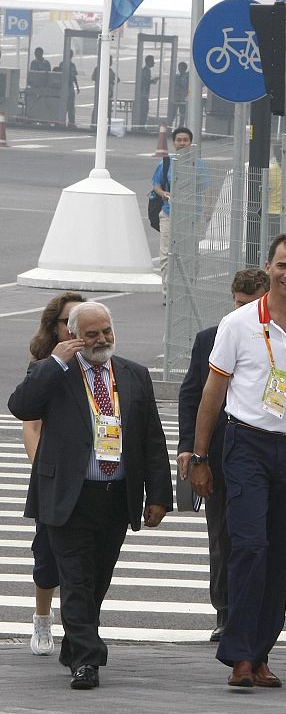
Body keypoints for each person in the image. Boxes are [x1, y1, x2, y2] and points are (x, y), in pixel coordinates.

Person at [190, 233, 286, 690]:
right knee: (249, 547)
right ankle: (240, 654)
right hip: (246, 445)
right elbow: (212, 393)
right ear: (269, 267)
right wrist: (200, 456)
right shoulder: (237, 323)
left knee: (281, 553)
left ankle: (260, 654)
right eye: (282, 265)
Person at [8, 301, 173, 690]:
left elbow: (152, 437)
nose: (101, 340)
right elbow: (21, 406)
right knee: (76, 578)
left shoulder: (133, 375)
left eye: (106, 332)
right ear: (73, 335)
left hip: (115, 496)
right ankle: (87, 659)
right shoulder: (55, 372)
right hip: (69, 495)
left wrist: (159, 495)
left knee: (97, 578)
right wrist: (55, 362)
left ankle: (76, 645)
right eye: (92, 334)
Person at [177, 269, 269, 643]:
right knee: (222, 535)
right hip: (217, 451)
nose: (243, 311)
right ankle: (226, 611)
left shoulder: (281, 341)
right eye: (239, 304)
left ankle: (257, 609)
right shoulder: (210, 339)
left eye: (252, 304)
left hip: (264, 450)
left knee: (261, 535)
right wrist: (189, 448)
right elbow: (191, 395)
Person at [23, 292, 86, 656]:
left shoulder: (103, 367)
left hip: (91, 476)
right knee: (47, 556)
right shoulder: (45, 368)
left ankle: (80, 629)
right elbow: (31, 425)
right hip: (53, 477)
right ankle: (42, 618)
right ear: (55, 328)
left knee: (86, 558)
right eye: (68, 323)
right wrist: (43, 470)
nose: (76, 330)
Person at [151, 126, 211, 305]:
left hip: (192, 216)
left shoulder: (199, 164)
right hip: (169, 214)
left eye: (186, 140)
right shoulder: (166, 162)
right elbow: (156, 184)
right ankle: (168, 292)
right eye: (179, 140)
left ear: (191, 143)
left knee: (191, 254)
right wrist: (163, 193)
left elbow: (207, 188)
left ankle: (188, 290)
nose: (182, 143)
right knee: (166, 254)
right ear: (174, 143)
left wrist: (207, 209)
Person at [91, 56, 116, 128]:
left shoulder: (109, 70)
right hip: (104, 93)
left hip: (106, 93)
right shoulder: (103, 70)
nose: (111, 62)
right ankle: (97, 125)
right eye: (110, 60)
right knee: (102, 109)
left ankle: (103, 125)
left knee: (104, 110)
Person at [58, 49, 79, 127]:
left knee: (71, 106)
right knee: (63, 104)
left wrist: (77, 86)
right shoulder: (62, 64)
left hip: (70, 86)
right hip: (63, 86)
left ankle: (71, 122)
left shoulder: (72, 65)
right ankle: (61, 121)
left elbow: (74, 77)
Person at [137, 54, 158, 127]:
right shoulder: (146, 70)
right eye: (152, 61)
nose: (154, 63)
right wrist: (153, 81)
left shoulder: (147, 70)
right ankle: (141, 125)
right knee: (144, 110)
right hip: (143, 94)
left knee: (145, 110)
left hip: (144, 93)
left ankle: (142, 124)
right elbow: (146, 81)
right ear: (148, 62)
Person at [168, 61, 189, 127]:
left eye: (180, 67)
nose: (179, 69)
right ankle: (169, 126)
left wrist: (187, 94)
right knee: (173, 114)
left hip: (183, 98)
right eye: (179, 67)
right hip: (177, 98)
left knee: (182, 114)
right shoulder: (177, 76)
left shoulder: (187, 77)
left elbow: (189, 87)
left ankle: (180, 127)